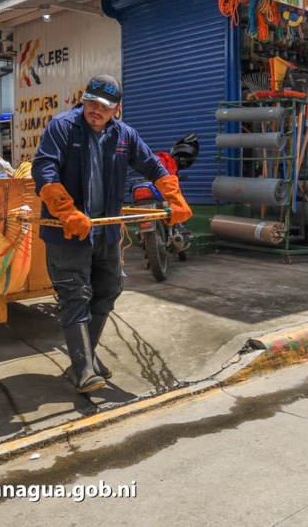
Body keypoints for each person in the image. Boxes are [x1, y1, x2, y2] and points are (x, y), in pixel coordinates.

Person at [31, 74, 192, 393]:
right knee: (75, 293)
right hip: (68, 232)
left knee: (109, 288)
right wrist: (66, 209)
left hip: (105, 233)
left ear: (117, 108)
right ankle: (82, 370)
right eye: (91, 103)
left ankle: (86, 356)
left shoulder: (125, 135)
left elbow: (153, 166)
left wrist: (174, 196)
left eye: (104, 106)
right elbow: (44, 168)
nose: (96, 110)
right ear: (83, 99)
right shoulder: (62, 127)